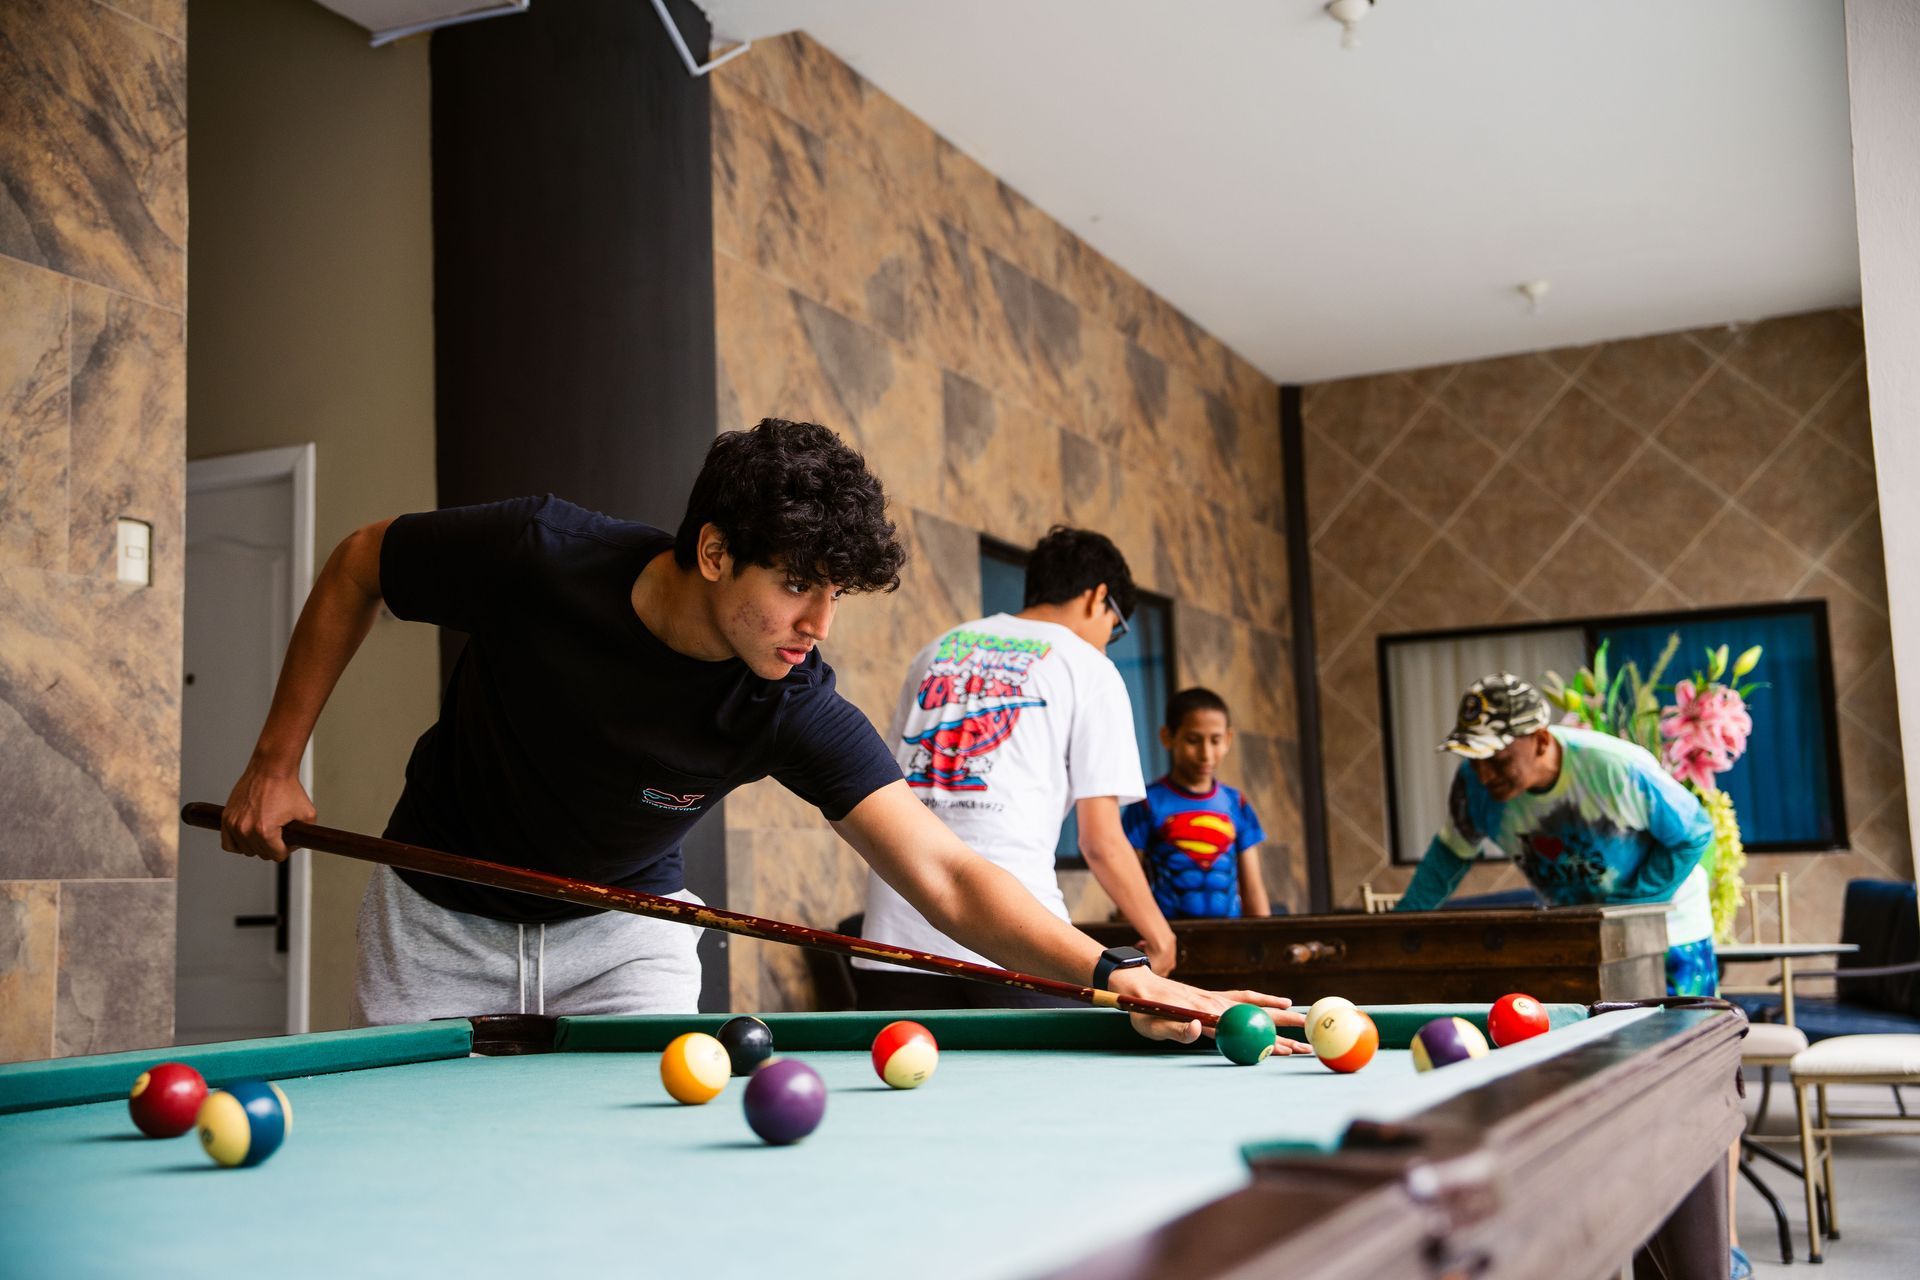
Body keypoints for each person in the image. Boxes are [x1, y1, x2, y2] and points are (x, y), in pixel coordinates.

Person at [218, 419, 1301, 1048]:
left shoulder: (789, 699)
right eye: (797, 586)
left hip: (626, 933)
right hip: (436, 917)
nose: (818, 624)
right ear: (712, 552)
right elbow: (360, 563)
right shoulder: (539, 556)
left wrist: (1116, 972)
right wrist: (276, 761)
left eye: (836, 595)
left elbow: (949, 875)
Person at [853, 527, 1184, 1010]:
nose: (1107, 645)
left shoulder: (937, 650)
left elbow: (888, 783)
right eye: (1114, 628)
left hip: (894, 940)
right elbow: (1101, 842)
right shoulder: (1088, 667)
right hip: (1013, 937)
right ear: (1098, 597)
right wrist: (1159, 933)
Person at [1396, 673, 1717, 998]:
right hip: (1580, 938)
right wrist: (1397, 930)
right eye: (1474, 758)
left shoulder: (1615, 768)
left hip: (1672, 934)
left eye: (1496, 758)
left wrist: (1624, 910)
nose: (1484, 775)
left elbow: (1695, 833)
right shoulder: (1473, 786)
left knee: (1683, 1029)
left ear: (1541, 740)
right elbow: (1449, 856)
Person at [1123, 687, 1271, 920]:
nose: (1206, 754)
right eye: (1193, 740)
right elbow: (1127, 888)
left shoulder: (1237, 803)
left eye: (1215, 740)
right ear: (1168, 737)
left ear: (1228, 739)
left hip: (1230, 936)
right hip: (1167, 935)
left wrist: (1264, 935)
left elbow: (1253, 889)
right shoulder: (1146, 804)